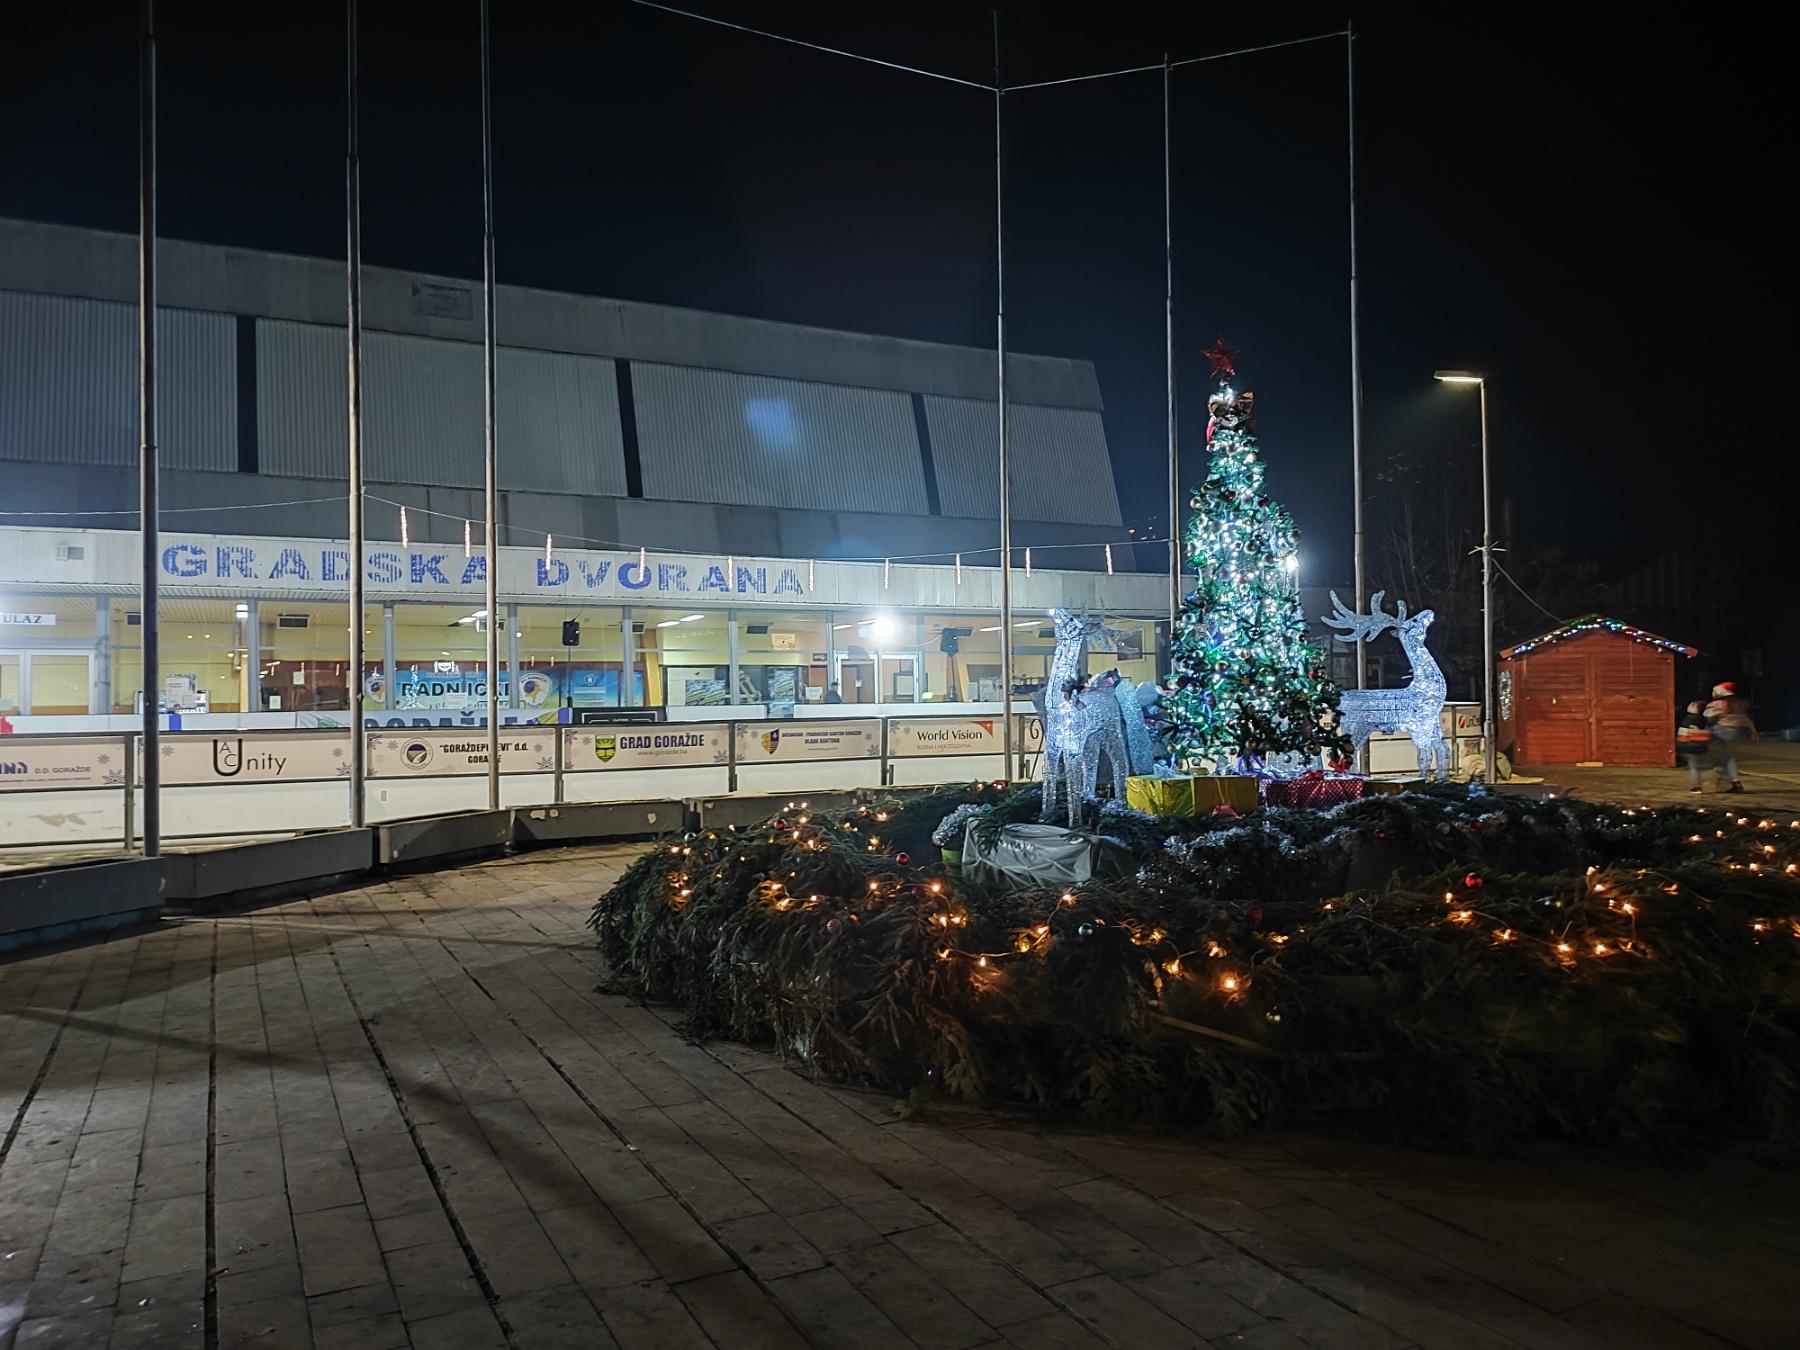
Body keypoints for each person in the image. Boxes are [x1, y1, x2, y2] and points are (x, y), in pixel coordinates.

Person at [1703, 681, 1758, 794]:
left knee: (1717, 756)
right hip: (1734, 733)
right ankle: (1735, 782)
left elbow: (1707, 716)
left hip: (1721, 731)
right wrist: (1753, 731)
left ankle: (1719, 777)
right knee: (1728, 757)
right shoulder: (1738, 705)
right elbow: (1745, 719)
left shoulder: (1717, 704)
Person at [1676, 700, 1711, 792]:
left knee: (1694, 767)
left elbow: (1684, 732)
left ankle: (1696, 786)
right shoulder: (1702, 719)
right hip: (1698, 746)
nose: (1689, 706)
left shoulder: (1690, 718)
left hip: (1690, 746)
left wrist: (1680, 744)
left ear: (1697, 709)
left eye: (1692, 705)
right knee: (1696, 766)